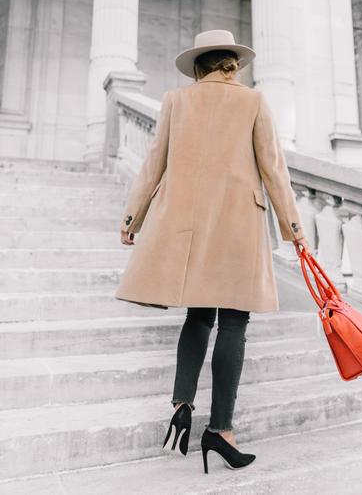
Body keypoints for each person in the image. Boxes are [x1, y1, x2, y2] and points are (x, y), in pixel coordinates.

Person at [118, 29, 309, 474]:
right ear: (233, 65)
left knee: (198, 315)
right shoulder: (255, 102)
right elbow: (274, 171)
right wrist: (293, 228)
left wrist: (133, 219)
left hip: (187, 226)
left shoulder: (175, 101)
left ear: (200, 67)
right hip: (239, 224)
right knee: (234, 323)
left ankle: (182, 404)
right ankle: (220, 430)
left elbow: (152, 165)